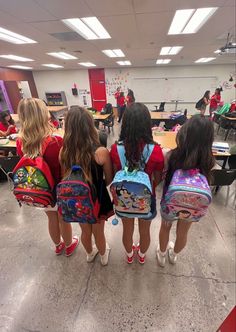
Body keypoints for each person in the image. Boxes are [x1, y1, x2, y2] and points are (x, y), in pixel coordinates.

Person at [16, 98, 78, 256]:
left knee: (51, 217)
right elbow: (66, 167)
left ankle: (58, 246)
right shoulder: (56, 141)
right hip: (58, 188)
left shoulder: (21, 142)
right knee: (63, 218)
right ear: (43, 115)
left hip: (39, 189)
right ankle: (69, 245)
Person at [157, 115, 215, 267]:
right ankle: (174, 255)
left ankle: (162, 255)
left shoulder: (170, 155)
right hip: (192, 206)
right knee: (183, 233)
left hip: (170, 202)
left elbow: (163, 175)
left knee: (165, 227)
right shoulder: (209, 160)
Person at [110, 103, 164, 264]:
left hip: (123, 198)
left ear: (125, 124)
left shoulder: (115, 149)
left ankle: (128, 255)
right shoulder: (155, 150)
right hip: (147, 198)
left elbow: (114, 174)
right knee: (145, 231)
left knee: (127, 230)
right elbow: (159, 177)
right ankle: (141, 256)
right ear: (148, 124)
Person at [59, 106, 114, 265]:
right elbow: (109, 178)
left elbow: (65, 177)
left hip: (77, 200)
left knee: (84, 230)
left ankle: (90, 254)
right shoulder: (101, 152)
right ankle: (103, 256)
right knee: (98, 231)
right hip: (97, 198)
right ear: (90, 125)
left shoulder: (63, 151)